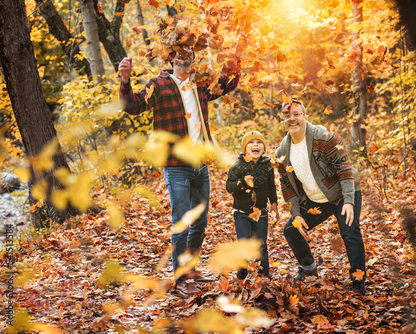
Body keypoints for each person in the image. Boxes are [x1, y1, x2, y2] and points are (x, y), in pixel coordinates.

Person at [118, 47, 240, 296]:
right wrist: (125, 80)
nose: (185, 56)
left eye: (189, 51)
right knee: (181, 222)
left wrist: (238, 57)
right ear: (171, 57)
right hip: (175, 165)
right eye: (180, 51)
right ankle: (180, 278)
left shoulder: (201, 85)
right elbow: (132, 105)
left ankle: (191, 269)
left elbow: (226, 85)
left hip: (200, 164)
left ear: (193, 57)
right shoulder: (159, 85)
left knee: (200, 221)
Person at [274, 99, 366, 295]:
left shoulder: (324, 137)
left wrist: (349, 201)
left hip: (343, 193)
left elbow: (344, 169)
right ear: (283, 120)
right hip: (316, 200)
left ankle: (358, 280)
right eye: (287, 116)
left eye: (297, 114)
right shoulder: (282, 152)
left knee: (350, 230)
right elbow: (287, 186)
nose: (292, 119)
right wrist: (297, 213)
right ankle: (308, 269)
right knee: (291, 230)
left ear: (305, 116)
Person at [226, 131, 279, 279]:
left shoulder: (267, 165)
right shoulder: (237, 166)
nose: (255, 145)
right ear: (244, 148)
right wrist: (242, 183)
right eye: (251, 142)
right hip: (241, 212)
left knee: (261, 245)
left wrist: (273, 203)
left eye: (259, 142)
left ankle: (263, 274)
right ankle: (241, 275)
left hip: (261, 211)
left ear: (264, 147)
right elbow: (229, 187)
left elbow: (271, 185)